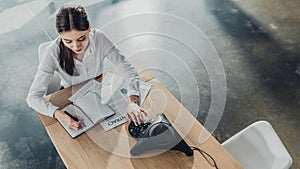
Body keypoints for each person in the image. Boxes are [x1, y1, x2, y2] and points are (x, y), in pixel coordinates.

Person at [26, 5, 146, 130]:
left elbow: (129, 71)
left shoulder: (99, 38)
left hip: (99, 87)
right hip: (71, 95)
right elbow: (33, 97)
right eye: (68, 41)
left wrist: (132, 102)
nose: (76, 46)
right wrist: (60, 114)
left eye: (81, 38)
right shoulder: (52, 52)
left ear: (89, 27)